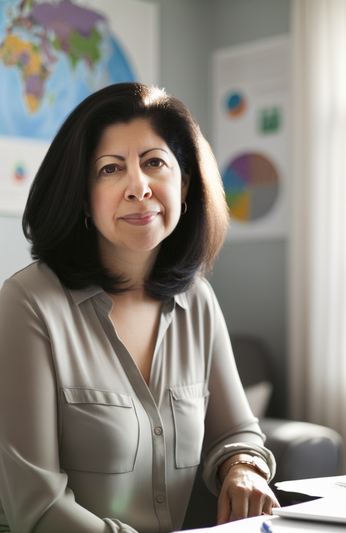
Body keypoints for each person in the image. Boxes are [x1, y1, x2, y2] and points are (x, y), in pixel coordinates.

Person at [0, 83, 279, 533]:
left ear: (184, 184)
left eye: (154, 163)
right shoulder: (27, 304)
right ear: (83, 197)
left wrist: (243, 467)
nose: (139, 187)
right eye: (110, 169)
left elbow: (237, 434)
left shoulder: (198, 300)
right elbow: (36, 506)